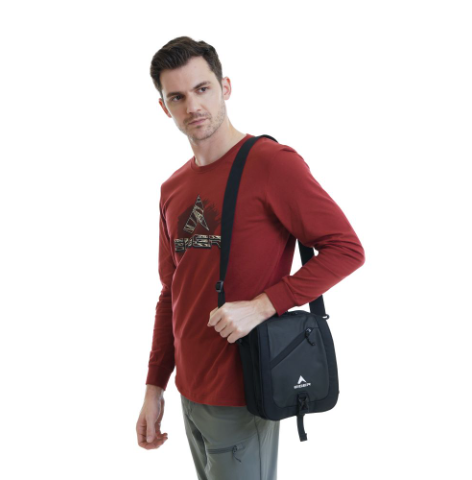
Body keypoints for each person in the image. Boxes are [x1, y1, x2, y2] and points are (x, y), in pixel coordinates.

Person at [136, 36, 365, 479]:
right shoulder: (172, 189)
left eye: (202, 89)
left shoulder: (271, 163)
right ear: (165, 108)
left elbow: (346, 249)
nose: (192, 106)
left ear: (225, 87)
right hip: (190, 394)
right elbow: (171, 294)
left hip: (243, 392)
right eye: (177, 97)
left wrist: (263, 305)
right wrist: (154, 384)